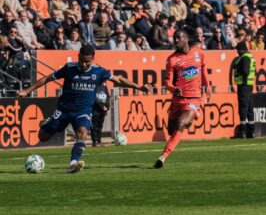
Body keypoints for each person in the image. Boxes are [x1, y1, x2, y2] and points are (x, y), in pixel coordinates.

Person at [17, 45, 152, 173]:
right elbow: (47, 79)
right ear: (78, 56)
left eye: (87, 61)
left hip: (82, 112)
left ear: (93, 59)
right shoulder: (69, 68)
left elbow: (119, 80)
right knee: (43, 137)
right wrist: (27, 91)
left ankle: (73, 163)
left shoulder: (99, 71)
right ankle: (48, 123)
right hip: (64, 109)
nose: (83, 64)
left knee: (82, 133)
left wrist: (139, 87)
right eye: (81, 60)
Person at [154, 30, 211, 169]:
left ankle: (163, 156)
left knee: (181, 123)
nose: (176, 40)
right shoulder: (172, 59)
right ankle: (193, 115)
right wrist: (174, 89)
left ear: (187, 38)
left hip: (194, 97)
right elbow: (167, 82)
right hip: (178, 99)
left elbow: (203, 69)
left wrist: (208, 87)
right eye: (174, 38)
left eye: (179, 37)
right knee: (171, 130)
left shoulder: (199, 52)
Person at [233, 42, 256, 139]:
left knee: (243, 107)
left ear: (241, 49)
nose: (237, 52)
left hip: (244, 85)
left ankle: (242, 131)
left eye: (238, 50)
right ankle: (251, 131)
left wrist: (237, 68)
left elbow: (245, 71)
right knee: (250, 107)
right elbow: (255, 72)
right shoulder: (250, 57)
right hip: (249, 85)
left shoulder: (245, 57)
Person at [90, 82, 110, 147]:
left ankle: (99, 141)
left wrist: (107, 106)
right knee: (94, 126)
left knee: (100, 126)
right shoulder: (93, 85)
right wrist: (101, 106)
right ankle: (94, 142)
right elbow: (94, 98)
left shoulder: (104, 85)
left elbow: (107, 96)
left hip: (103, 110)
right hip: (95, 109)